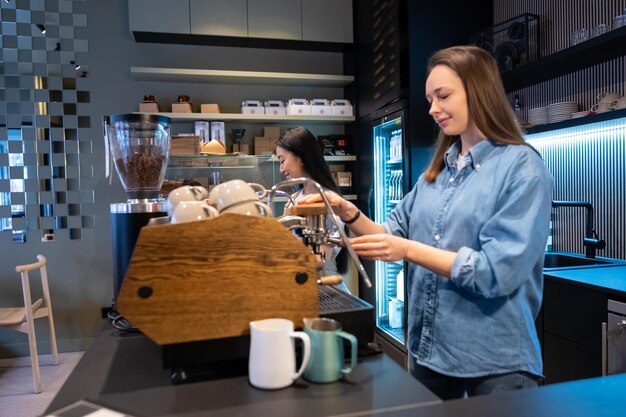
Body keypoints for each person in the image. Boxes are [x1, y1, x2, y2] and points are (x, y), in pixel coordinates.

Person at [298, 45, 553, 399]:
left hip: (495, 359)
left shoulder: (521, 167)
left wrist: (407, 250)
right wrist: (345, 211)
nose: (433, 109)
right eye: (429, 99)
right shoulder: (437, 172)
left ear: (478, 91)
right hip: (429, 348)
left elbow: (497, 272)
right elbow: (390, 233)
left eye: (443, 96)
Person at [274, 127, 351, 293]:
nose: (281, 169)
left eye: (282, 160)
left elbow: (319, 259)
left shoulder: (328, 200)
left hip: (324, 288)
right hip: (300, 285)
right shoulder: (294, 199)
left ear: (300, 157)